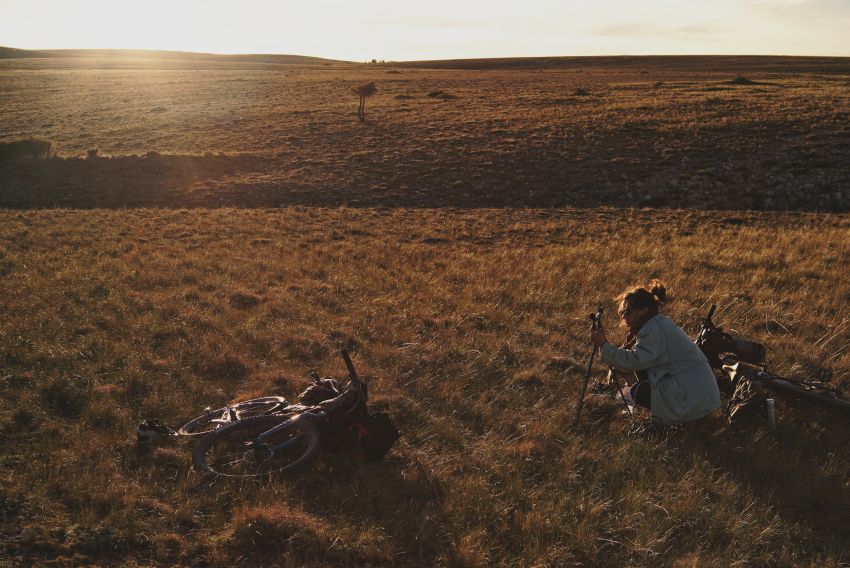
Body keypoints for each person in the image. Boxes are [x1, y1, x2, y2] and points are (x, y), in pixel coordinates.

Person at [590, 280, 721, 425]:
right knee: (641, 378)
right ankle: (673, 417)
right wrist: (610, 344)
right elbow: (636, 363)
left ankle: (671, 423)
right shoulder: (658, 324)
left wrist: (603, 344)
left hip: (692, 397)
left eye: (627, 312)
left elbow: (635, 361)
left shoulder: (654, 329)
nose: (624, 317)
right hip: (698, 394)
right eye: (622, 313)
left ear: (644, 310)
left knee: (639, 391)